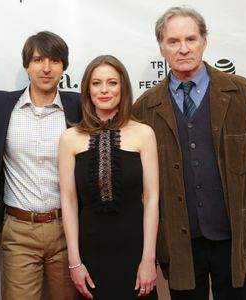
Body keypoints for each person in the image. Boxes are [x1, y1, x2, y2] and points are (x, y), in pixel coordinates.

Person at [132, 6, 246, 300]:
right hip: (179, 244)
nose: (183, 49)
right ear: (161, 48)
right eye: (173, 42)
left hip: (234, 237)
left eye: (191, 39)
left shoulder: (242, 94)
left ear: (204, 41)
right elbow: (141, 187)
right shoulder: (145, 108)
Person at [0, 31, 81, 300]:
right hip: (19, 230)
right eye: (38, 60)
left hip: (67, 228)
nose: (46, 68)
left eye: (55, 61)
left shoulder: (79, 107)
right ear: (27, 65)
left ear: (63, 67)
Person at [58, 55, 160, 299]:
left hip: (135, 253)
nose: (104, 90)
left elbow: (152, 198)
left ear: (123, 87)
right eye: (96, 83)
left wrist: (148, 259)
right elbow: (69, 202)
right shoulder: (69, 138)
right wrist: (74, 262)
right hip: (90, 254)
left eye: (112, 82)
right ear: (87, 89)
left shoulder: (144, 134)